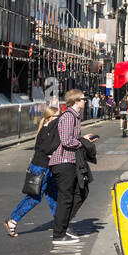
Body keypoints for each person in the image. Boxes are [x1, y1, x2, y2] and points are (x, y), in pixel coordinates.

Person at [4, 102, 61, 237]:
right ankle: (13, 220)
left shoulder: (48, 129)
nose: (60, 119)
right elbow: (47, 150)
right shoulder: (46, 131)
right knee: (34, 197)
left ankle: (61, 222)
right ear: (50, 118)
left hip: (46, 167)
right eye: (58, 116)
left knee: (54, 195)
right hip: (41, 168)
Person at [49, 90, 98, 245]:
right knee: (66, 197)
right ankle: (59, 234)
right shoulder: (69, 116)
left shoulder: (74, 117)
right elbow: (66, 141)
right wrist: (83, 142)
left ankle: (64, 224)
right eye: (84, 99)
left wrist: (82, 139)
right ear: (76, 100)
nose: (86, 101)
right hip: (63, 162)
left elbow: (72, 139)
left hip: (71, 161)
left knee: (81, 192)